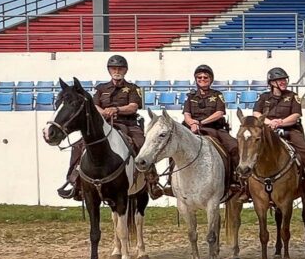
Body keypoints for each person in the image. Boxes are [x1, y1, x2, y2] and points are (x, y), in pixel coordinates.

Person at [57, 55, 158, 200]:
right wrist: (102, 111)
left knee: (141, 143)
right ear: (109, 70)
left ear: (125, 70)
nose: (117, 71)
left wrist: (117, 109)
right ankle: (74, 181)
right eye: (114, 68)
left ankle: (151, 181)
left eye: (120, 68)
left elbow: (133, 107)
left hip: (127, 124)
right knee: (78, 145)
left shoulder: (132, 88)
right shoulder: (101, 88)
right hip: (103, 125)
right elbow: (94, 105)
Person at [153, 64, 241, 197]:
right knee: (174, 147)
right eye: (199, 77)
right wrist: (191, 123)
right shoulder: (191, 96)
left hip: (213, 128)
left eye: (205, 77)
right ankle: (171, 181)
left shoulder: (217, 95)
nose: (202, 79)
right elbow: (187, 114)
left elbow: (219, 112)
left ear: (211, 79)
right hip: (192, 128)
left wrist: (201, 123)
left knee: (234, 146)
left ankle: (234, 179)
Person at [251, 67, 305, 197]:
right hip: (268, 131)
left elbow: (296, 115)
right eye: (279, 80)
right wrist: (270, 123)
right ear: (271, 82)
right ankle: (246, 186)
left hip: (290, 130)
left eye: (284, 79)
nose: (283, 82)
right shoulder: (264, 97)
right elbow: (256, 113)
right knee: (250, 149)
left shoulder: (292, 96)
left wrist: (280, 122)